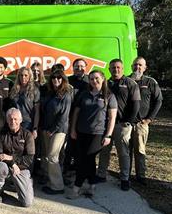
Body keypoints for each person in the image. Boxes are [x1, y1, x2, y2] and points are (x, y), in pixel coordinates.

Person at [68, 70, 117, 199]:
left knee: (85, 160)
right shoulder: (84, 94)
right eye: (91, 79)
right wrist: (73, 129)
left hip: (98, 133)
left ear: (103, 79)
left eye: (96, 78)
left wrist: (108, 135)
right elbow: (76, 113)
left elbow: (112, 118)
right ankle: (92, 185)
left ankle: (76, 188)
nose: (94, 81)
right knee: (86, 160)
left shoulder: (109, 96)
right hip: (81, 132)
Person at [97, 59, 141, 191]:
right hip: (106, 124)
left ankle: (124, 178)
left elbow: (136, 105)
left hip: (122, 124)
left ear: (122, 68)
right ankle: (101, 174)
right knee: (104, 150)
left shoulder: (130, 83)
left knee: (123, 153)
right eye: (113, 68)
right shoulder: (106, 83)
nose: (115, 70)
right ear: (109, 69)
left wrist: (128, 122)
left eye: (118, 67)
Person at [129, 57, 162, 185]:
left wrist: (149, 119)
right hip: (127, 123)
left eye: (140, 65)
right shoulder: (127, 80)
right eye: (135, 65)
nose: (137, 67)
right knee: (126, 151)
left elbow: (158, 101)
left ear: (145, 68)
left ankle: (140, 176)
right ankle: (125, 175)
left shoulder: (150, 82)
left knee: (140, 150)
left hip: (141, 123)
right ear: (132, 66)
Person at [0, 108, 35, 207]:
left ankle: (25, 183)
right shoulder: (1, 134)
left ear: (20, 120)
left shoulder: (28, 135)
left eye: (15, 119)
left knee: (27, 203)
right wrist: (12, 163)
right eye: (10, 119)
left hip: (22, 168)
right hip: (7, 166)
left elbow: (29, 158)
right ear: (7, 120)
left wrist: (12, 159)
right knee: (0, 167)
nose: (13, 121)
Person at [40, 70, 72, 194]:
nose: (56, 80)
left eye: (59, 78)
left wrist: (52, 130)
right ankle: (51, 181)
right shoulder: (50, 93)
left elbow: (64, 117)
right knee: (48, 157)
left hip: (59, 130)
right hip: (47, 129)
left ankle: (58, 186)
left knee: (53, 157)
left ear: (63, 79)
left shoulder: (66, 95)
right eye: (54, 78)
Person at [63, 58, 89, 174]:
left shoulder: (90, 81)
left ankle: (80, 168)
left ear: (86, 67)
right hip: (69, 117)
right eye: (76, 66)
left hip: (85, 118)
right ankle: (67, 168)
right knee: (69, 145)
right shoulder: (68, 81)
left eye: (82, 66)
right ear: (72, 68)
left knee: (82, 145)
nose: (79, 68)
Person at [8, 67, 40, 139]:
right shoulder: (14, 89)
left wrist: (35, 128)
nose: (23, 77)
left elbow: (37, 111)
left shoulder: (34, 90)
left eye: (26, 75)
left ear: (30, 76)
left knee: (27, 148)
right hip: (14, 123)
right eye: (21, 75)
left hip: (28, 124)